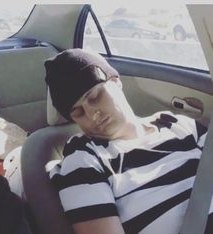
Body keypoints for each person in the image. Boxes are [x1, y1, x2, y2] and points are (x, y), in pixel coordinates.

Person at [45, 48, 211, 234]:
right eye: (79, 113)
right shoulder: (84, 158)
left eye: (94, 97)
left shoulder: (178, 124)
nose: (92, 115)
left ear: (115, 82)